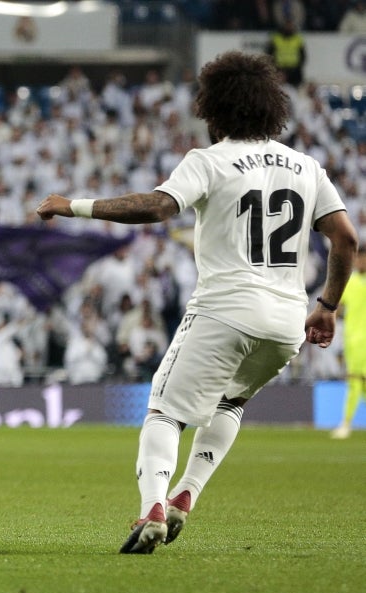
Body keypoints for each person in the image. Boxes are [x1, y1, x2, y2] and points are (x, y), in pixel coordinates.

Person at [36, 51, 358, 554]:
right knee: (230, 401)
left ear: (215, 108)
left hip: (226, 308)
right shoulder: (307, 167)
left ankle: (152, 510)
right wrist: (327, 306)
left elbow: (159, 207)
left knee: (164, 412)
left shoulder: (209, 161)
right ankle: (187, 494)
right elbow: (346, 238)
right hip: (286, 320)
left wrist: (74, 205)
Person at [331, 247, 366, 439]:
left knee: (356, 383)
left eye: (363, 259)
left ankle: (346, 424)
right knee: (355, 382)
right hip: (353, 341)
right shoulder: (350, 283)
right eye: (358, 259)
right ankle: (346, 423)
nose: (360, 262)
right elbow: (336, 305)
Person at [266, 19, 306, 87]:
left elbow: (303, 55)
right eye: (287, 26)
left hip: (294, 70)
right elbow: (269, 54)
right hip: (279, 68)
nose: (289, 27)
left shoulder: (298, 39)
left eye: (291, 26)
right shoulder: (276, 38)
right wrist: (275, 67)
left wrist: (298, 67)